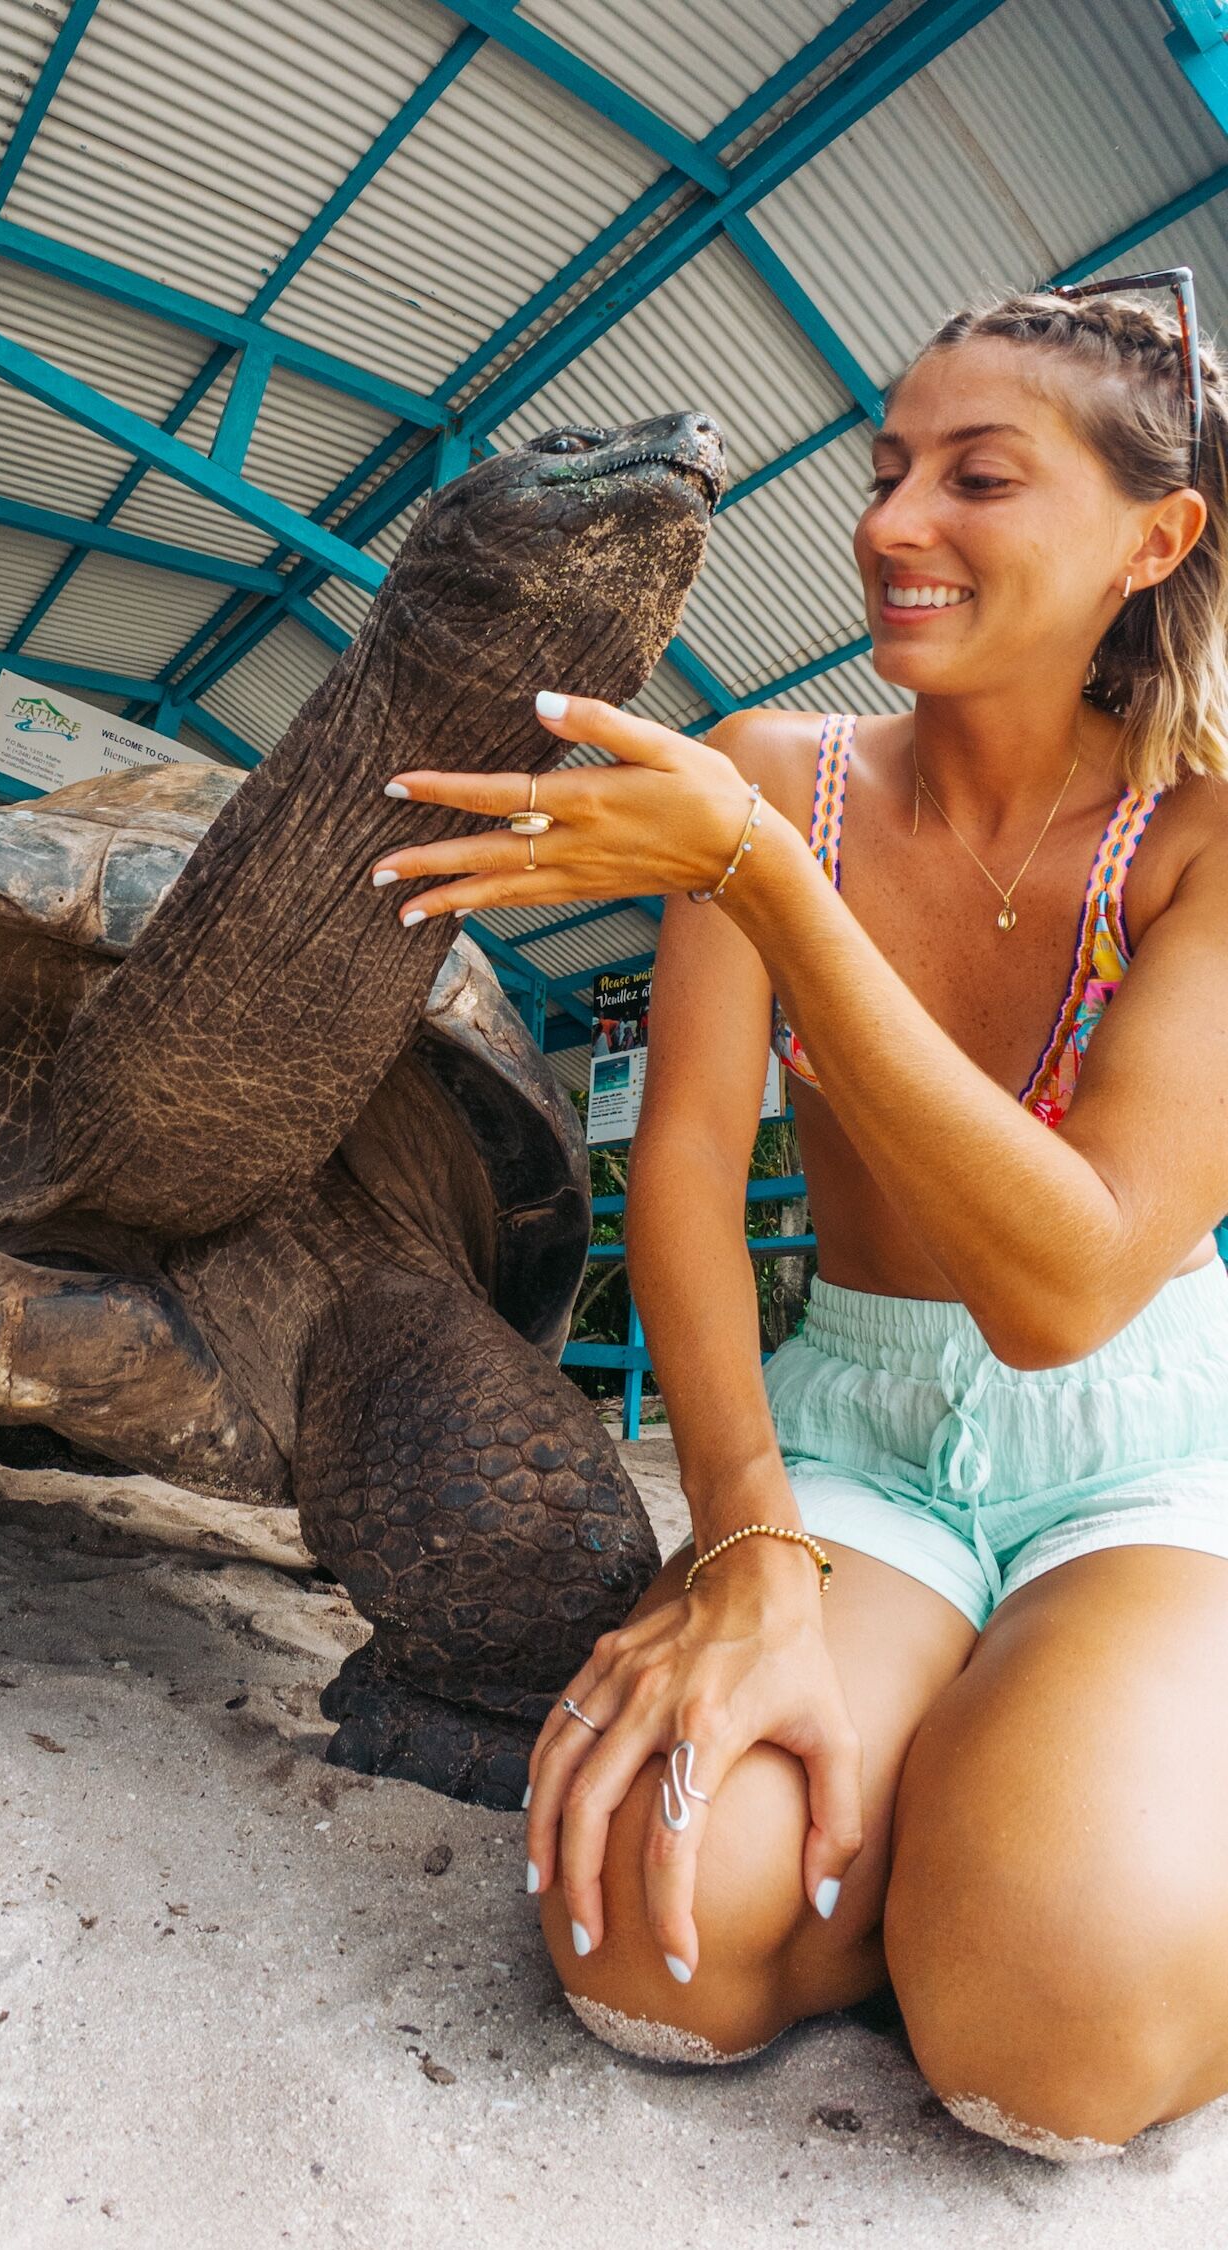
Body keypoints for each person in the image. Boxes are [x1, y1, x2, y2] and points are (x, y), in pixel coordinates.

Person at [367, 284, 1228, 2162]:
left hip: (1140, 1455)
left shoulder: (1202, 837)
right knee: (649, 1938)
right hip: (850, 1436)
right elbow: (677, 1175)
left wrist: (767, 885)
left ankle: (1047, 1822)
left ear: (1152, 543)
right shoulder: (769, 771)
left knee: (1055, 2053)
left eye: (977, 478)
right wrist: (744, 1541)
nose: (893, 522)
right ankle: (965, 1809)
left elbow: (1073, 1278)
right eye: (888, 469)